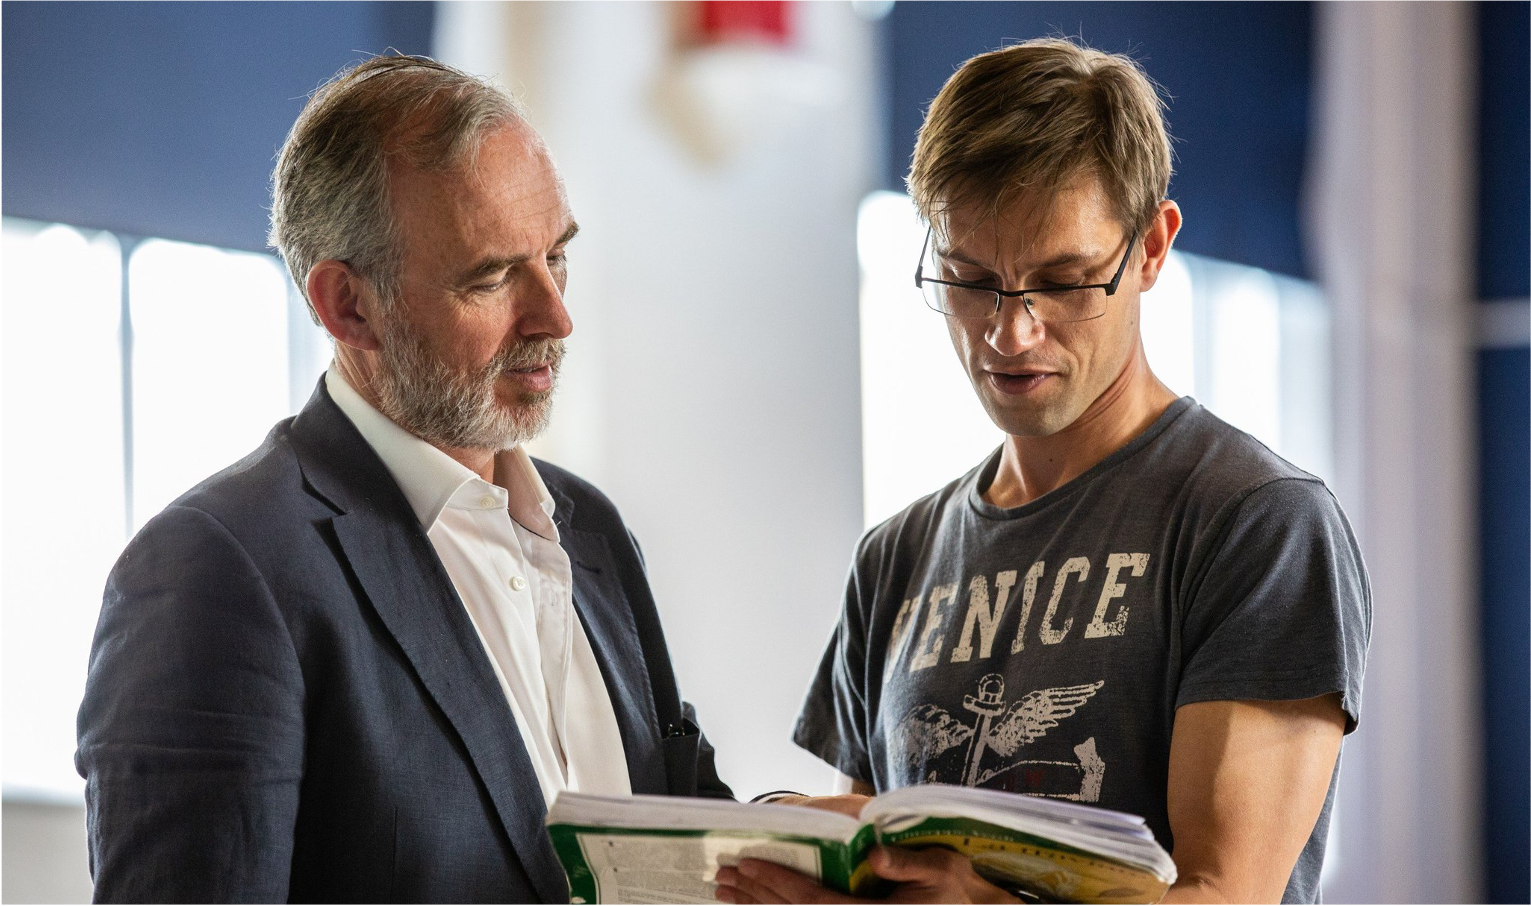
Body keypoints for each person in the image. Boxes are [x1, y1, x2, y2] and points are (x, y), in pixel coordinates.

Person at [717, 38, 1370, 906]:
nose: (1008, 335)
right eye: (969, 279)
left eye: (1061, 282)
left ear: (1149, 249)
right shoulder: (895, 557)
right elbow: (881, 859)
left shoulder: (1256, 522)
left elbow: (1225, 893)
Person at [76, 55, 730, 904]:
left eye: (556, 257)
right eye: (493, 276)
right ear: (348, 305)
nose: (555, 316)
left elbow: (682, 836)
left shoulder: (591, 529)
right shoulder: (216, 572)